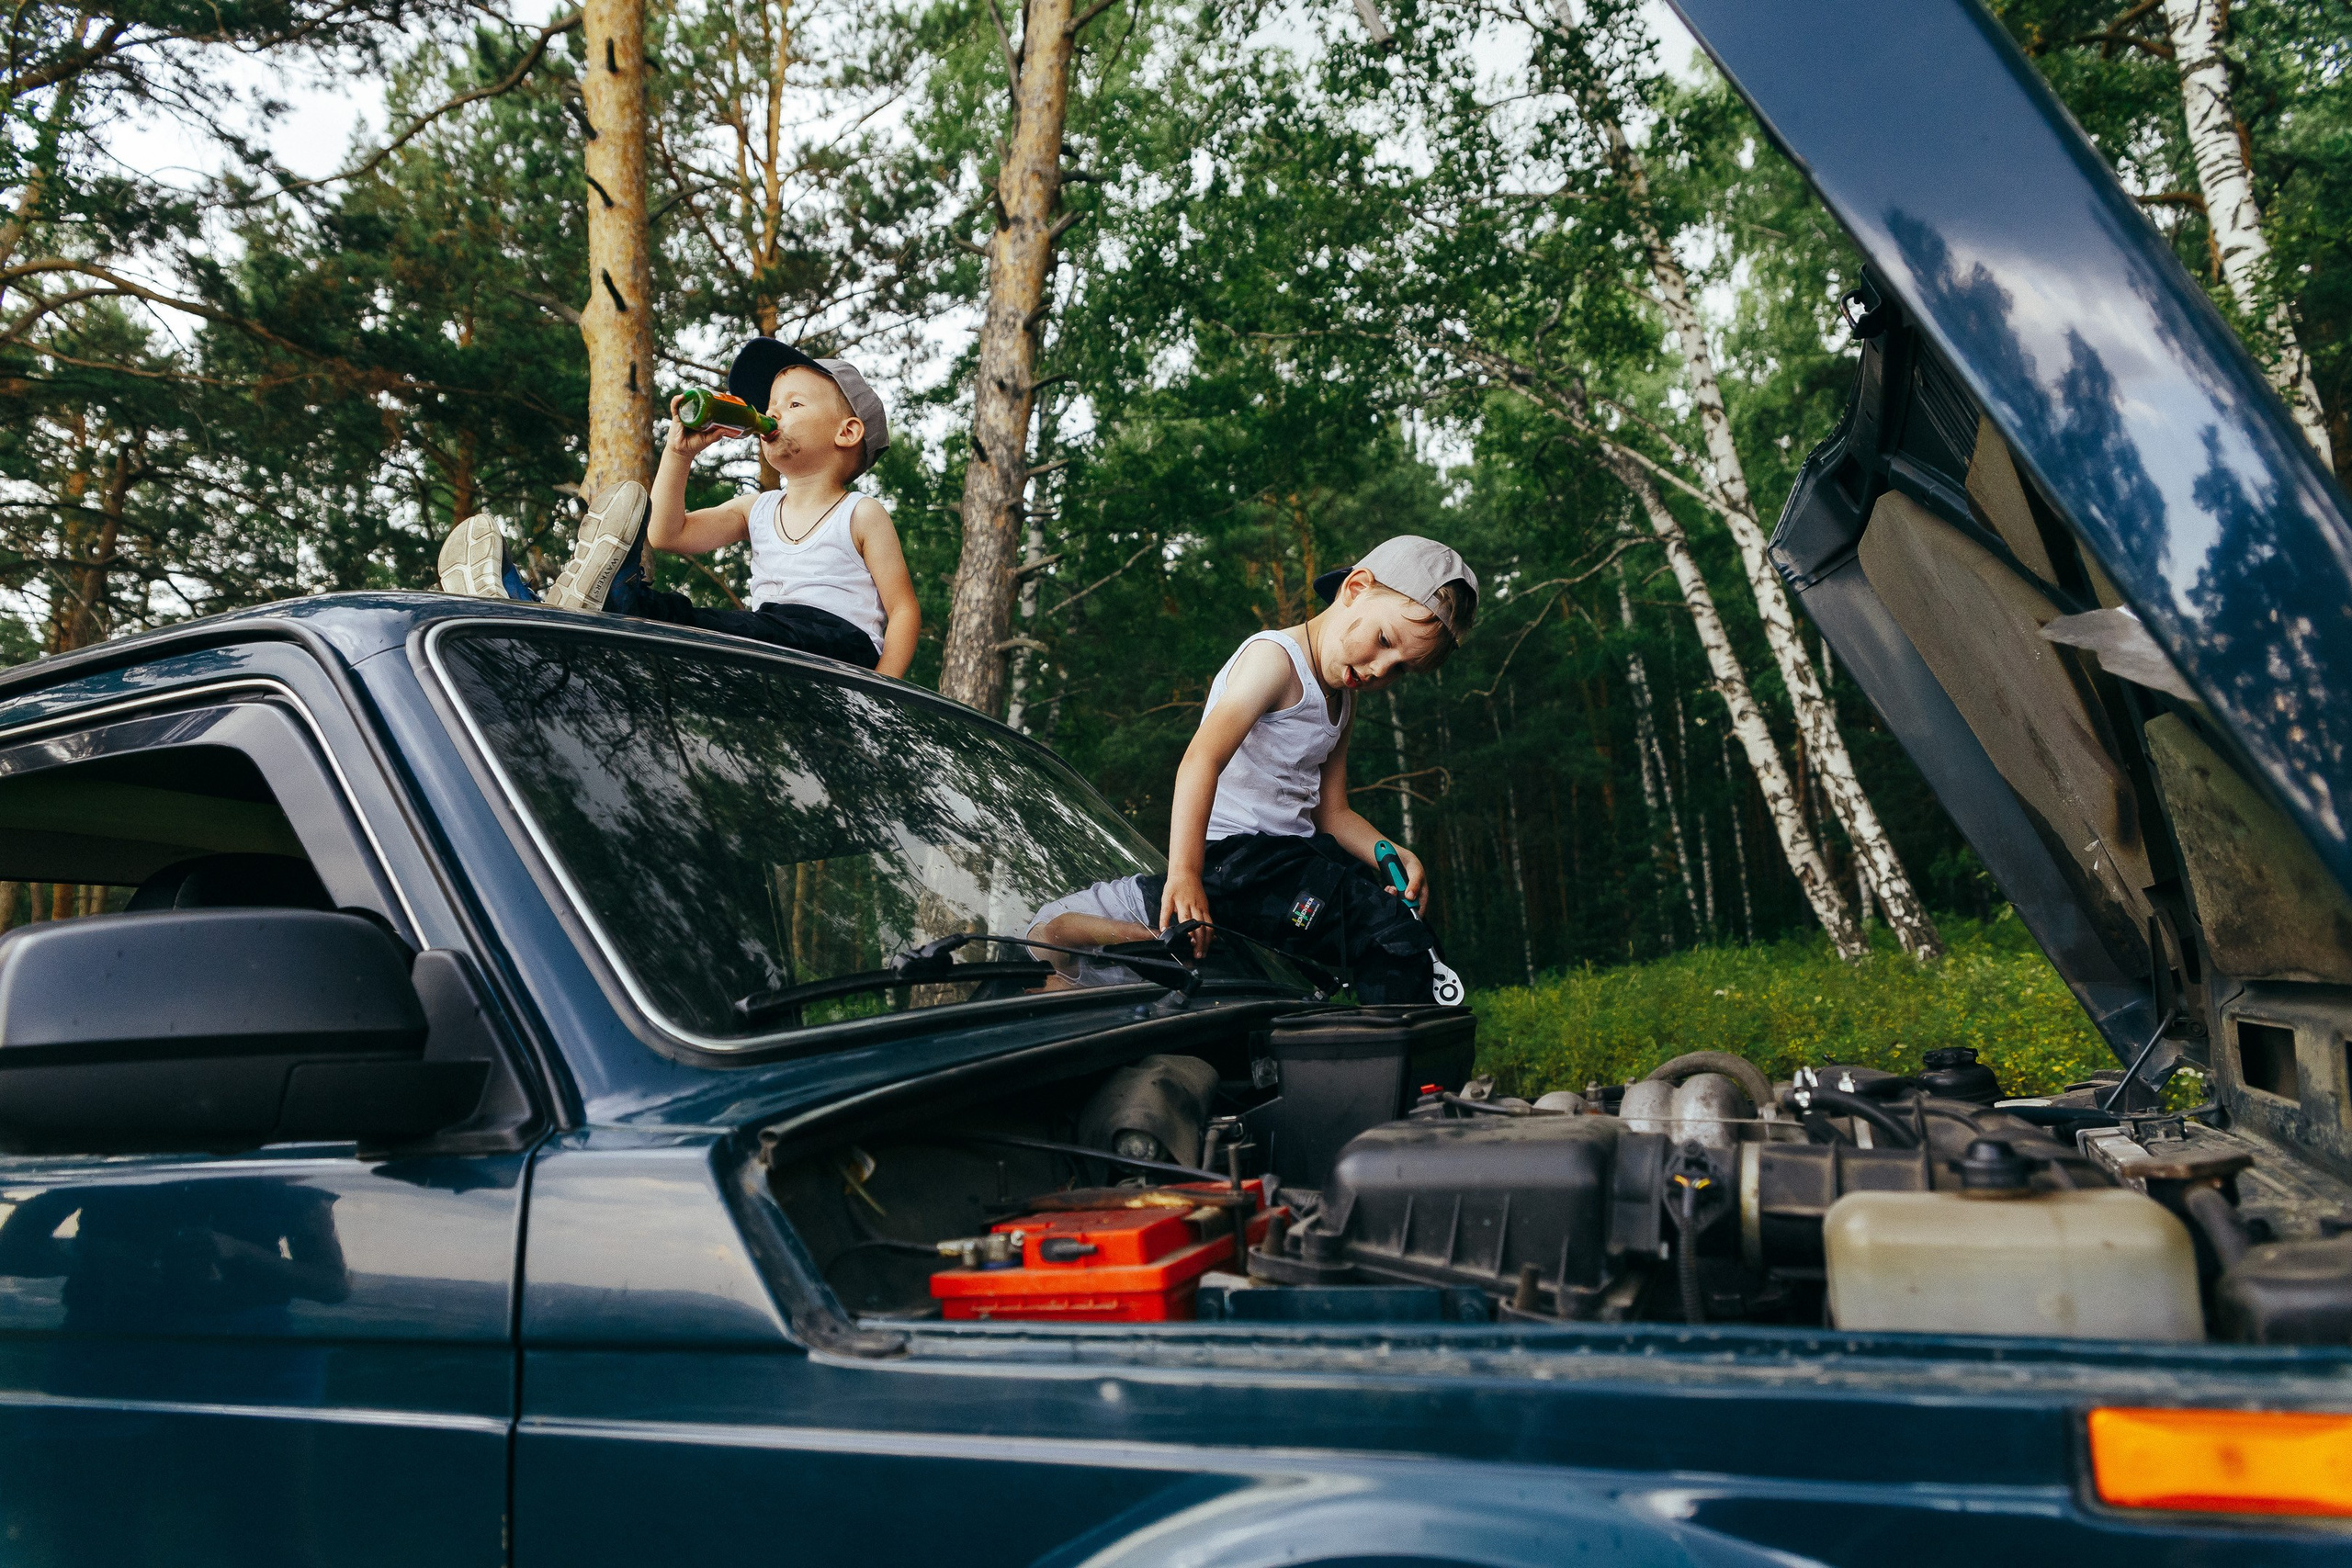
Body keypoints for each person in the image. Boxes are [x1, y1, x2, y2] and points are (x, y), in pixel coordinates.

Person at [1026, 536, 1476, 1002]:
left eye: (1401, 669)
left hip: (1293, 860)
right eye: (1384, 641)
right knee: (1378, 929)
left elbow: (1332, 813)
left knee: (1404, 922)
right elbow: (1202, 759)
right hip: (1238, 861)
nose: (1381, 669)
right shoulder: (1276, 661)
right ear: (1356, 587)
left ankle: (1403, 1054)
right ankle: (1385, 1058)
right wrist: (1185, 872)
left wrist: (1391, 851)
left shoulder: (1342, 700)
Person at [436, 339, 921, 678]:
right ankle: (531, 607)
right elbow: (670, 534)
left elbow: (901, 610)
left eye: (793, 404)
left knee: (723, 629)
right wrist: (679, 454)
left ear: (847, 433)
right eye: (769, 405)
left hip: (839, 647)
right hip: (768, 637)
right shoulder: (756, 508)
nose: (772, 414)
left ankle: (610, 600)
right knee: (690, 626)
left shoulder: (860, 513)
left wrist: (886, 687)